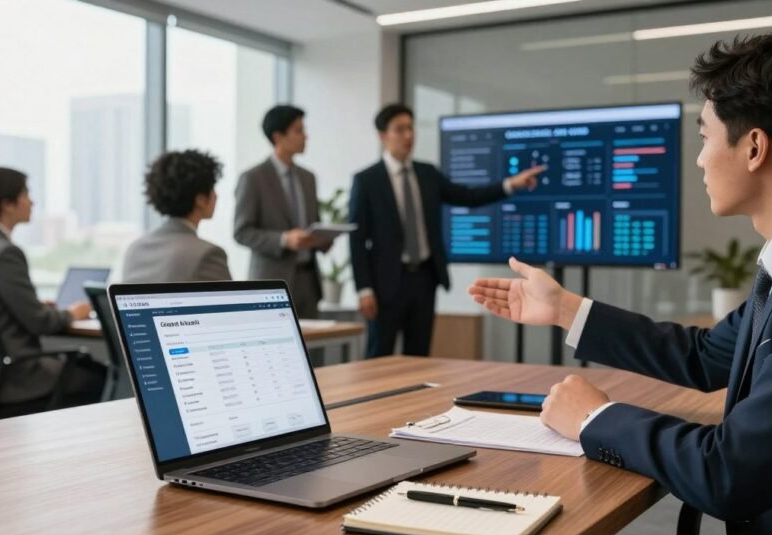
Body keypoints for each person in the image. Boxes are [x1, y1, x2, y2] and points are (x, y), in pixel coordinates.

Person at [470, 31, 772, 535]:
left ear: (753, 147)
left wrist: (593, 418)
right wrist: (565, 309)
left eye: (704, 137)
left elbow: (730, 473)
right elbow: (707, 357)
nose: (698, 160)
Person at [349, 104, 544, 358]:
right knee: (379, 355)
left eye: (411, 128)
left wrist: (510, 184)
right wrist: (363, 289)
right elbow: (356, 237)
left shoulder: (427, 173)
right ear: (383, 135)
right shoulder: (366, 180)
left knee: (419, 356)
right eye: (400, 129)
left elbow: (468, 196)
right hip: (385, 284)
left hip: (424, 279)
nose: (409, 135)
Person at [0, 167, 105, 411]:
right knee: (107, 379)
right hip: (18, 376)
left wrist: (35, 306)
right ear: (8, 204)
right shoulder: (5, 252)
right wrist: (73, 313)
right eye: (26, 194)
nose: (32, 201)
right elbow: (40, 323)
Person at [234, 105, 327, 318]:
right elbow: (241, 231)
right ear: (278, 136)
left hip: (309, 282)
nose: (305, 136)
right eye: (298, 130)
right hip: (272, 282)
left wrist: (323, 238)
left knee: (312, 349)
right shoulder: (253, 178)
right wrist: (284, 239)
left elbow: (314, 222)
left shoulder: (308, 178)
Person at [122, 149, 232, 283]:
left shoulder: (135, 249)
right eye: (213, 188)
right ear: (201, 200)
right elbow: (228, 303)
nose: (216, 195)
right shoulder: (207, 254)